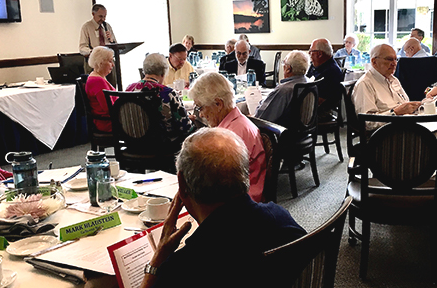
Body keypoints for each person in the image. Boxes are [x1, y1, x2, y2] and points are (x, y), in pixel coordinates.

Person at [124, 128, 306, 288]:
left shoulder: (184, 268)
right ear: (244, 175)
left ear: (182, 185)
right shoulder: (282, 220)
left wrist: (158, 261)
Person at [189, 72, 266, 202]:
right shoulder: (231, 124)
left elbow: (217, 180)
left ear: (218, 104)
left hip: (238, 202)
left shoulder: (233, 136)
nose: (200, 115)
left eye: (200, 107)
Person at [126, 53, 194, 149]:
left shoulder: (129, 89)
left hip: (133, 144)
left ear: (144, 71)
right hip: (163, 146)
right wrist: (191, 118)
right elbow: (185, 127)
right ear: (163, 73)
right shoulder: (167, 93)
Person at [352, 44, 421, 115]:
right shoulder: (365, 84)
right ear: (374, 62)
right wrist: (395, 112)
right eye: (389, 59)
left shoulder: (394, 80)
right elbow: (369, 122)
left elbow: (405, 104)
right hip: (390, 125)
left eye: (396, 59)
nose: (394, 63)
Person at [255, 51, 309, 127]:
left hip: (282, 132)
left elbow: (262, 117)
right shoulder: (309, 83)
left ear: (288, 69)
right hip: (303, 131)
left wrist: (260, 103)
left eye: (284, 63)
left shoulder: (284, 90)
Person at [307, 38, 345, 121]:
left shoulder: (331, 71)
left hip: (320, 112)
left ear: (319, 54)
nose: (309, 54)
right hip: (311, 104)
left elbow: (320, 101)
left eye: (311, 51)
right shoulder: (316, 66)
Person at [79, 4, 117, 85]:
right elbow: (82, 48)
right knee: (96, 86)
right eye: (100, 16)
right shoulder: (86, 27)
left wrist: (111, 40)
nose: (103, 19)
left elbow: (116, 45)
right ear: (93, 14)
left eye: (105, 16)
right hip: (94, 63)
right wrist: (95, 53)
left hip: (108, 63)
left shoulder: (107, 26)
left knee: (111, 86)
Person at [85, 46, 116, 133]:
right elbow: (109, 108)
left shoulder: (99, 77)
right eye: (110, 61)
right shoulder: (97, 81)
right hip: (108, 122)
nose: (113, 65)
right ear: (100, 62)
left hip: (111, 119)